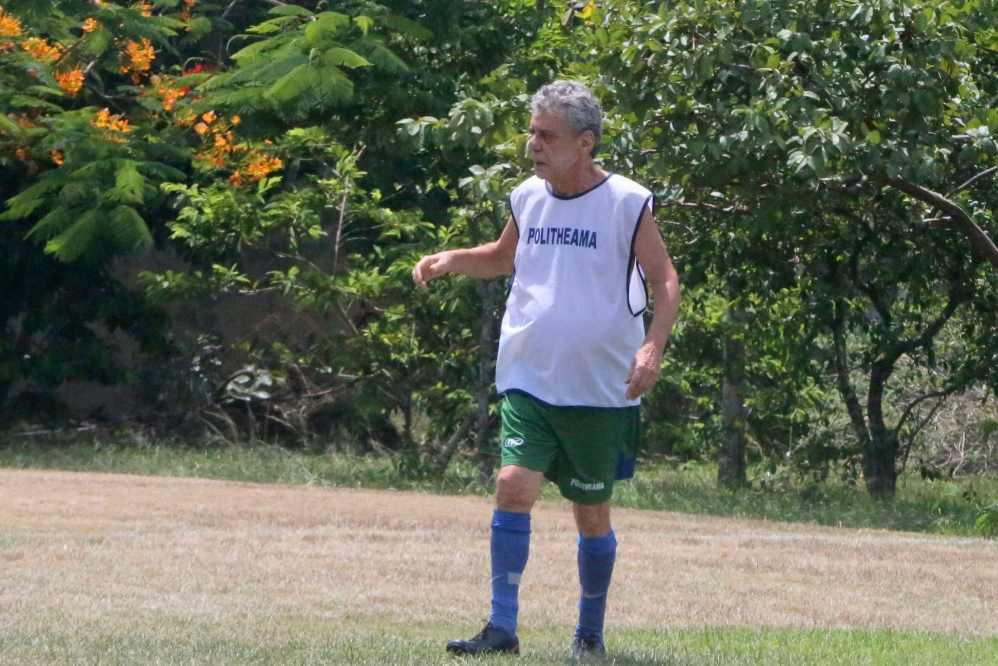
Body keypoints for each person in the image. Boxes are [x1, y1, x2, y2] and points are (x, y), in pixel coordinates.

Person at [411, 80, 681, 659]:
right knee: (512, 487)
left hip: (600, 387)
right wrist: (454, 259)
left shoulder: (628, 202)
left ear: (584, 143)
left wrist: (653, 345)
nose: (534, 144)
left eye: (547, 135)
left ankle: (589, 632)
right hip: (530, 374)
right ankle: (501, 626)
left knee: (591, 511)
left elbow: (663, 278)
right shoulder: (527, 196)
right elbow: (505, 256)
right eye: (533, 131)